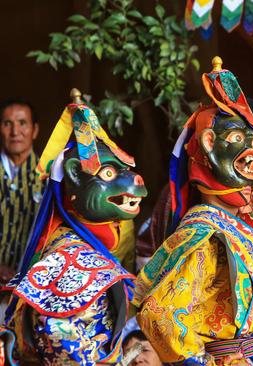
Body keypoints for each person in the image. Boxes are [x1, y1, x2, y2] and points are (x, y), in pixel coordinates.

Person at [134, 56, 253, 365]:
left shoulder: (241, 227)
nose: (252, 181)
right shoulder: (202, 233)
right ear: (209, 144)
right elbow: (160, 315)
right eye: (238, 141)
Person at [4, 89, 147, 365]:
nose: (130, 179)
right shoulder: (70, 260)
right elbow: (57, 332)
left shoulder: (77, 248)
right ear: (73, 176)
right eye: (107, 173)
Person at [0, 98, 42, 283]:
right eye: (7, 124)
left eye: (22, 123)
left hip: (27, 288)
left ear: (35, 130)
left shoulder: (49, 178)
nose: (15, 132)